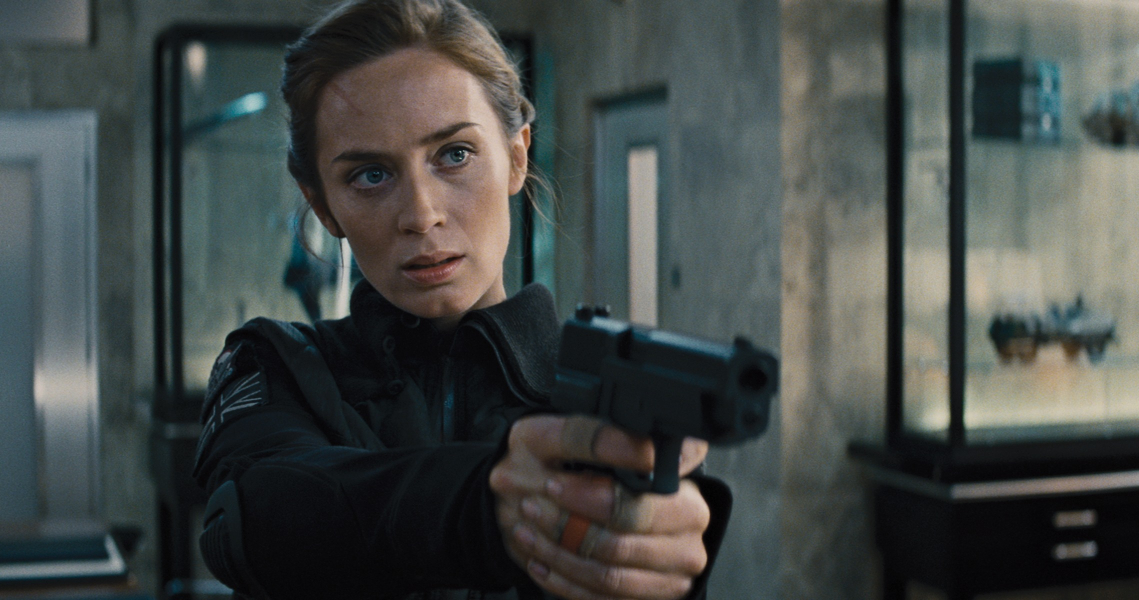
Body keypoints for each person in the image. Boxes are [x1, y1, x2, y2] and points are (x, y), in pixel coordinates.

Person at [190, 1, 732, 599]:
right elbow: (258, 514)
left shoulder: (607, 398)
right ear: (323, 206)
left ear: (517, 157)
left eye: (455, 154)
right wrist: (489, 507)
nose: (421, 215)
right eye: (370, 174)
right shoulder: (275, 365)